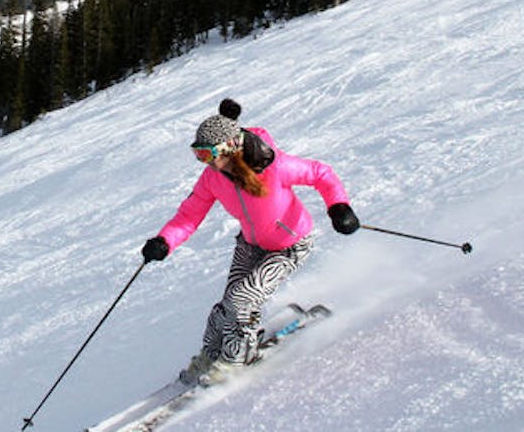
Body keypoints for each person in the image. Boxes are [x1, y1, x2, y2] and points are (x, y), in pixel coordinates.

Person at [141, 98, 360, 384]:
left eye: (207, 155)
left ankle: (237, 359)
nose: (204, 162)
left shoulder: (275, 166)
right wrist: (164, 241)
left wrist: (339, 207)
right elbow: (188, 216)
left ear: (228, 148)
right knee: (225, 306)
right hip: (251, 244)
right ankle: (211, 354)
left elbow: (321, 173)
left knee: (241, 299)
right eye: (198, 155)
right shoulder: (213, 178)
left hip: (290, 245)